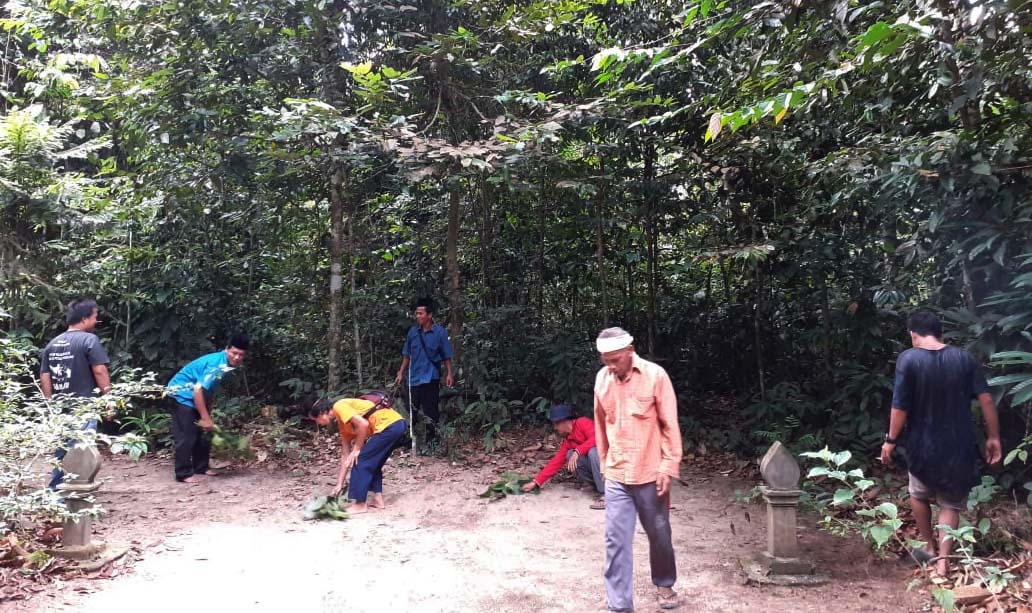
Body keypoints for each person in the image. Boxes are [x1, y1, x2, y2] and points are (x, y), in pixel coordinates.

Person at [880, 311, 1001, 576]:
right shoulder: (965, 358)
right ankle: (944, 562)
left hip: (921, 444)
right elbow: (987, 400)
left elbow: (899, 406)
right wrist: (993, 437)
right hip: (958, 444)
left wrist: (890, 440)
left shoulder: (908, 359)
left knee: (918, 494)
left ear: (914, 335)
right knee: (950, 503)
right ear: (940, 333)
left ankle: (929, 547)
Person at [594, 327, 682, 611]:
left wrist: (668, 466)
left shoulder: (656, 376)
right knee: (615, 540)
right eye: (605, 360)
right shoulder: (602, 379)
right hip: (617, 473)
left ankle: (665, 582)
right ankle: (619, 604)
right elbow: (600, 424)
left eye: (615, 359)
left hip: (649, 471)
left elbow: (669, 425)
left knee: (659, 533)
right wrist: (605, 464)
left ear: (630, 352)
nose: (610, 365)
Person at [40, 298, 112, 490]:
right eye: (95, 317)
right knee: (80, 447)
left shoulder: (53, 344)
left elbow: (45, 376)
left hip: (60, 406)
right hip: (84, 405)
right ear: (85, 318)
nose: (96, 321)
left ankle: (64, 486)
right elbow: (100, 371)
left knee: (64, 445)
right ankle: (64, 490)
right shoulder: (89, 340)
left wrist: (50, 404)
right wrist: (109, 399)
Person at [165, 333, 249, 483]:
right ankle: (183, 473)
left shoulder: (225, 364)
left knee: (204, 433)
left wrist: (207, 415)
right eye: (234, 353)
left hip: (195, 395)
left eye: (240, 355)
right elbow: (198, 390)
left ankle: (201, 468)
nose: (237, 357)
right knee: (187, 435)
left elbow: (207, 390)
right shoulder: (217, 364)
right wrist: (205, 418)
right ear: (226, 350)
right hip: (180, 394)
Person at [306, 395, 407, 514]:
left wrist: (357, 449)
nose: (317, 423)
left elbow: (363, 424)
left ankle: (360, 504)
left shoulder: (339, 406)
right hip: (395, 426)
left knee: (360, 460)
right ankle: (377, 499)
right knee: (373, 462)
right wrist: (339, 484)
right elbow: (345, 455)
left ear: (322, 412)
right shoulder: (343, 423)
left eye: (315, 419)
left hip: (390, 425)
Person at [394, 297, 454, 448]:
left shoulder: (439, 333)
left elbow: (447, 355)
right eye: (417, 313)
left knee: (431, 412)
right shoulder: (413, 333)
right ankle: (409, 443)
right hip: (413, 379)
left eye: (421, 313)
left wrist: (449, 373)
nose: (418, 316)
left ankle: (432, 443)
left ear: (429, 315)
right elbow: (407, 354)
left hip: (431, 378)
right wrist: (401, 372)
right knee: (410, 413)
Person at [521, 403, 605, 509]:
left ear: (564, 421)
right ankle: (595, 486)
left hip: (610, 466)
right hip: (599, 471)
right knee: (570, 454)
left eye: (556, 424)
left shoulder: (582, 422)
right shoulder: (568, 440)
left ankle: (607, 494)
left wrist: (578, 451)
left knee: (593, 451)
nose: (555, 427)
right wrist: (536, 482)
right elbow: (556, 462)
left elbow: (598, 438)